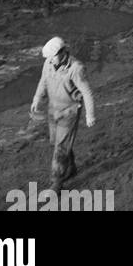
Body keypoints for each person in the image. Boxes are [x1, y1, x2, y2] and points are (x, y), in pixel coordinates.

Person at [29, 37, 96, 190]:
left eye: (52, 57)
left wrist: (89, 115)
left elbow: (87, 92)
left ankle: (56, 183)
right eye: (48, 58)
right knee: (57, 142)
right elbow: (43, 81)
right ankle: (71, 167)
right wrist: (37, 99)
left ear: (62, 52)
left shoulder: (76, 68)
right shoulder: (49, 63)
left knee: (60, 147)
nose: (50, 61)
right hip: (53, 109)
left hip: (69, 112)